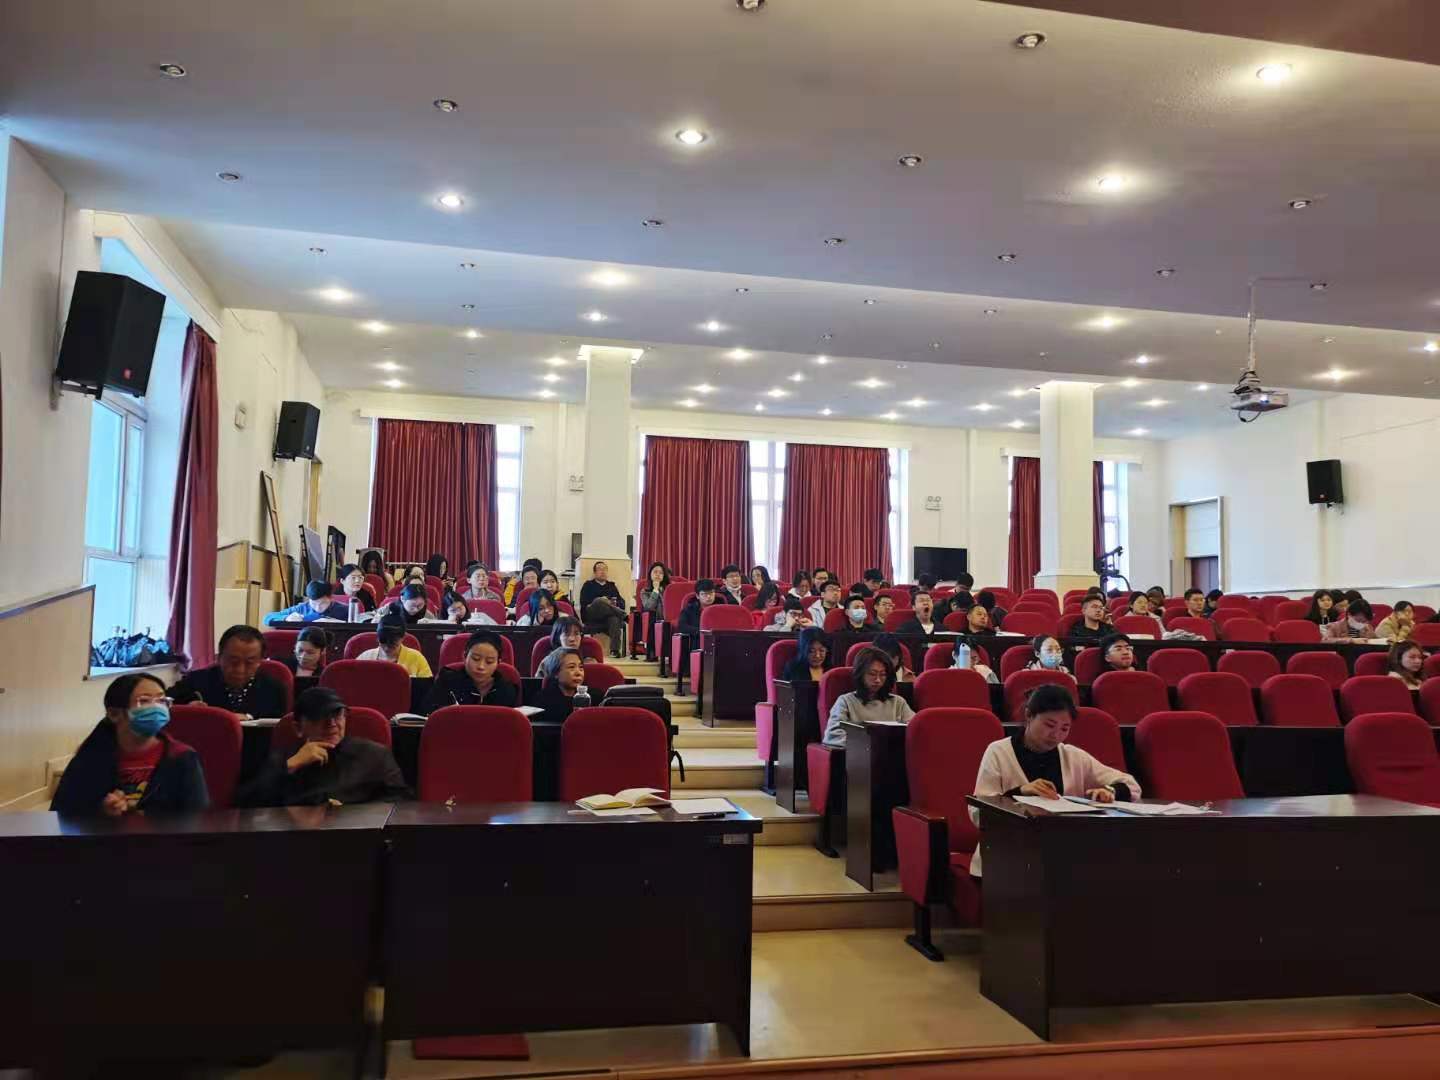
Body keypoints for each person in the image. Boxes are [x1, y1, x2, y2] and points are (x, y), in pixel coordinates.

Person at [969, 683, 1140, 876]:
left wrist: (1109, 791)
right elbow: (977, 812)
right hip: (1006, 858)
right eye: (1049, 725)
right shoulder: (999, 752)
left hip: (1062, 859)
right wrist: (1019, 792)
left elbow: (1132, 785)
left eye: (1065, 728)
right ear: (1029, 715)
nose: (1056, 735)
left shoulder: (1073, 756)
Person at [51, 673, 209, 816]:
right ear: (114, 714)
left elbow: (196, 818)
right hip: (104, 837)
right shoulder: (91, 757)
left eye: (162, 700)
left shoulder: (181, 757)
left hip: (162, 838)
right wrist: (101, 812)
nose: (156, 708)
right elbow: (62, 814)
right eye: (144, 701)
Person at [237, 687, 408, 807]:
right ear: (298, 728)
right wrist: (291, 765)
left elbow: (402, 801)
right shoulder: (283, 759)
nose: (332, 724)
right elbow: (246, 804)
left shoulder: (374, 755)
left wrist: (351, 813)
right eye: (321, 717)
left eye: (337, 715)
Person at [171, 625, 288, 717]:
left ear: (259, 661)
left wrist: (248, 717)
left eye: (249, 663)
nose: (240, 669)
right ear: (219, 657)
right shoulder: (196, 681)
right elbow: (166, 705)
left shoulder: (273, 689)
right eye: (233, 662)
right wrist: (187, 709)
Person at [821, 647, 914, 747]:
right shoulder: (845, 701)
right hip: (859, 754)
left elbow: (915, 729)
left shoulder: (898, 702)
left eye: (883, 674)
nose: (878, 680)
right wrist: (869, 744)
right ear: (860, 674)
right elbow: (833, 736)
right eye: (872, 674)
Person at [422, 630, 519, 712]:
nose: (481, 666)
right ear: (464, 656)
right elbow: (427, 716)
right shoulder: (447, 681)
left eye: (489, 662)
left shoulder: (507, 690)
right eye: (476, 659)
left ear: (498, 663)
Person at [357, 611, 433, 677]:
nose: (386, 648)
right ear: (378, 637)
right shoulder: (365, 658)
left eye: (393, 644)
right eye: (383, 642)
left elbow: (427, 686)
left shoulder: (417, 659)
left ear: (403, 638)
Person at [578, 560, 626, 657]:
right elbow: (584, 604)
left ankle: (614, 651)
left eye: (604, 569)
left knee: (614, 619)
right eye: (599, 569)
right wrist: (602, 601)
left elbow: (621, 602)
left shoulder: (611, 586)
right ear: (595, 572)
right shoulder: (588, 585)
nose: (602, 571)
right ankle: (623, 615)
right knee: (599, 600)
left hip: (608, 616)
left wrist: (612, 603)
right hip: (592, 614)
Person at [534, 648, 586, 723]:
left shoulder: (595, 697)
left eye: (581, 667)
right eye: (571, 667)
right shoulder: (542, 701)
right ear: (556, 672)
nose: (578, 673)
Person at [264, 580, 342, 625]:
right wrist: (286, 618)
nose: (318, 608)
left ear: (331, 598)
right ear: (309, 599)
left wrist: (339, 623)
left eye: (323, 603)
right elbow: (267, 618)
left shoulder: (342, 609)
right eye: (314, 604)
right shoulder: (302, 608)